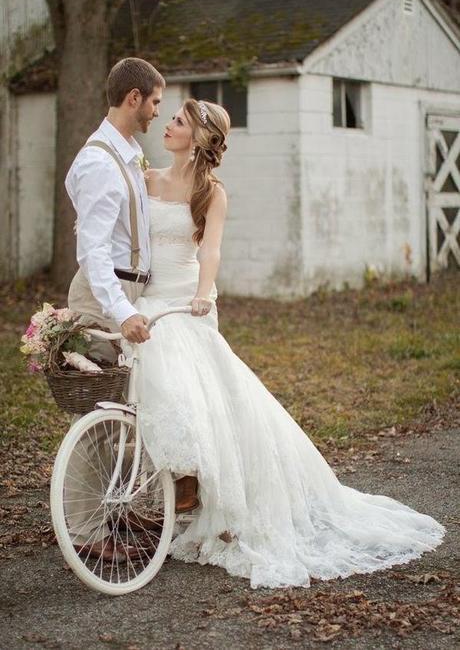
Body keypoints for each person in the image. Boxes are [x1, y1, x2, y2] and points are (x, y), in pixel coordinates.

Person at [134, 98, 446, 589]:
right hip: (149, 297)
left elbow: (211, 249)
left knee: (189, 373)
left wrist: (201, 295)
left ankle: (189, 478)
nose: (168, 125)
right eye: (170, 117)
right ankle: (173, 478)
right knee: (157, 370)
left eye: (179, 121)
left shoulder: (211, 193)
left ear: (199, 138)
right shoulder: (146, 178)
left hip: (185, 299)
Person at [65, 57, 165, 560]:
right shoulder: (100, 162)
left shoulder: (128, 152)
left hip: (129, 295)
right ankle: (87, 533)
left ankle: (114, 507)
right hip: (104, 298)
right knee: (95, 415)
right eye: (153, 102)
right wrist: (121, 311)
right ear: (133, 99)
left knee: (121, 411)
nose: (156, 112)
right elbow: (94, 250)